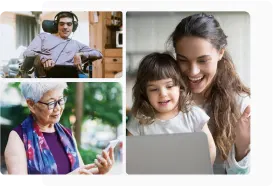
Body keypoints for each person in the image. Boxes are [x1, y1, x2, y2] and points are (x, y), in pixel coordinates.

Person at [167, 13, 251, 174]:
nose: (193, 71)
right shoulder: (167, 99)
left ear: (220, 53)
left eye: (203, 60)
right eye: (183, 60)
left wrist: (243, 148)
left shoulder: (242, 105)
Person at [4, 82, 114, 175]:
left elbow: (80, 173)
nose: (58, 108)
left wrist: (101, 171)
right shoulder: (18, 137)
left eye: (61, 100)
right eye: (51, 103)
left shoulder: (67, 134)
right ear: (31, 104)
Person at [126, 52, 216, 164]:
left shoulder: (194, 115)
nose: (163, 94)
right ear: (144, 93)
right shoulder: (139, 120)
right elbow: (130, 154)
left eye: (169, 86)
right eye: (154, 89)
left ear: (180, 86)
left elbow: (210, 149)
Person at [21, 11, 102, 78]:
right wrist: (43, 58)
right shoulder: (43, 37)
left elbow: (99, 54)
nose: (65, 27)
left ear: (73, 27)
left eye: (69, 24)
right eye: (62, 24)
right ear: (57, 26)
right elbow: (27, 52)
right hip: (47, 75)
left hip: (70, 75)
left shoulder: (76, 44)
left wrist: (80, 54)